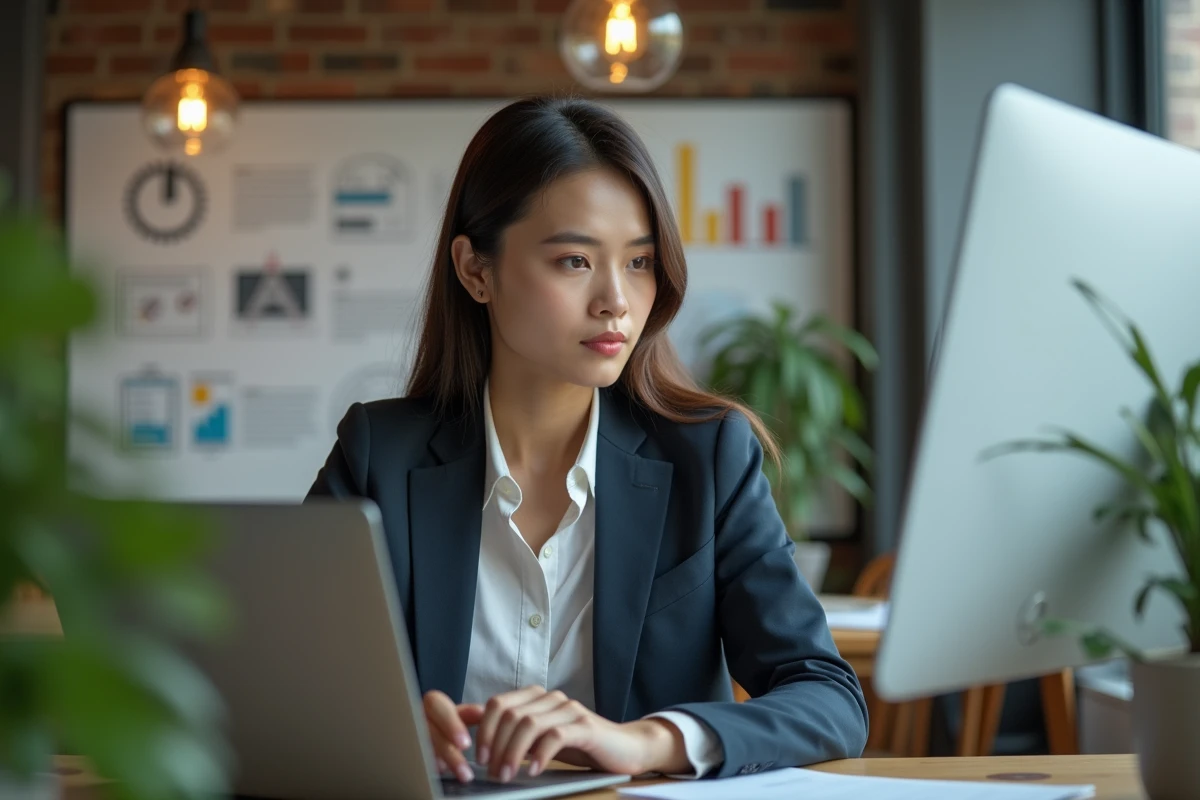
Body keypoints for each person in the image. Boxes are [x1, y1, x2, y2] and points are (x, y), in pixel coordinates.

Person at [307, 96, 868, 785]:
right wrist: (378, 728)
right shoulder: (378, 457)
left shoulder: (707, 456)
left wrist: (643, 742)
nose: (616, 301)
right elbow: (283, 682)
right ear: (474, 270)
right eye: (575, 261)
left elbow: (829, 700)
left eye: (638, 262)